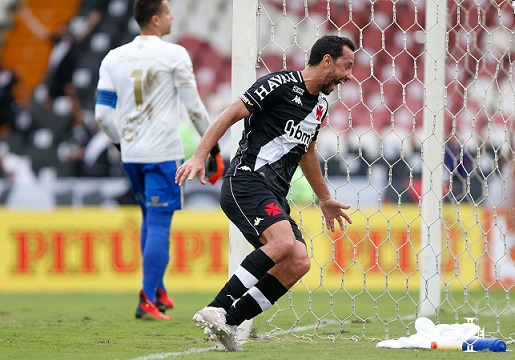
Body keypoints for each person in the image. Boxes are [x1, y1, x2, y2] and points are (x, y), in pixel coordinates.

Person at [175, 35, 355, 351]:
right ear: (327, 61)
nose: (349, 75)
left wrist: (325, 198)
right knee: (284, 242)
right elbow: (230, 113)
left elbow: (307, 151)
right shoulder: (278, 84)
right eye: (347, 66)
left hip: (273, 193)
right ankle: (216, 307)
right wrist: (201, 154)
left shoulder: (320, 106)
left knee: (299, 260)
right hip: (245, 180)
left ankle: (229, 321)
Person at [94, 0, 224, 320]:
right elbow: (194, 108)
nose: (172, 16)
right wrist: (213, 149)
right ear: (155, 19)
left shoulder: (113, 57)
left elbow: (101, 115)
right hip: (163, 154)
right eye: (168, 12)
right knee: (159, 223)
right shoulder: (174, 54)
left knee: (149, 219)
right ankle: (147, 298)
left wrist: (120, 143)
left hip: (132, 154)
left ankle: (158, 289)